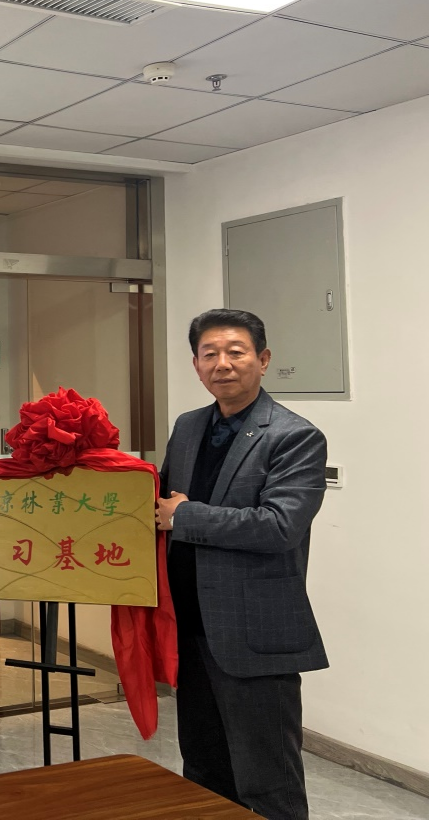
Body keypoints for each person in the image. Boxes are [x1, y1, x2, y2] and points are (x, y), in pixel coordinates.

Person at [155, 309, 328, 820]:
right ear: (195, 364)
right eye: (209, 354)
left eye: (236, 352)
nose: (222, 364)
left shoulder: (294, 436)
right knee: (203, 771)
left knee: (268, 783)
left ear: (263, 359)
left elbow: (279, 526)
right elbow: (158, 504)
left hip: (254, 634)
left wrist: (185, 516)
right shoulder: (189, 426)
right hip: (191, 626)